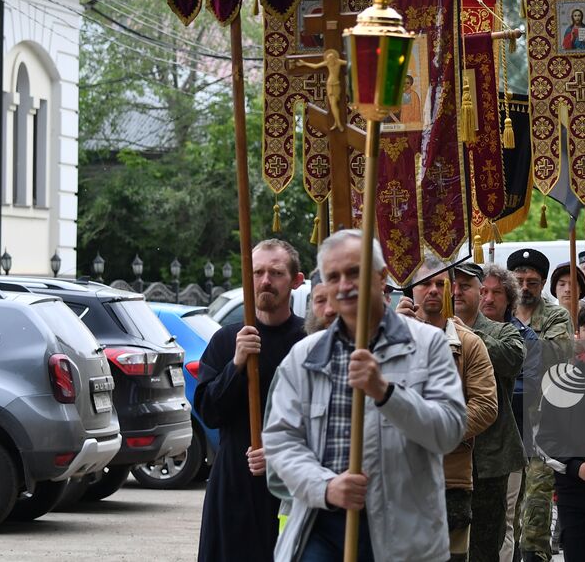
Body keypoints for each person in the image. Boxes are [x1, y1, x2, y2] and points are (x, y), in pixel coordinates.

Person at [263, 229, 467, 562]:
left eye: (354, 272)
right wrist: (326, 487)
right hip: (321, 524)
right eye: (334, 276)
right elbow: (281, 440)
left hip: (403, 533)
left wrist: (386, 393)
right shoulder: (304, 356)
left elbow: (448, 432)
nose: (344, 285)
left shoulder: (427, 345)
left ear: (381, 277)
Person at [195, 239, 306, 562]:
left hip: (290, 487)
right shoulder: (227, 340)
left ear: (296, 281)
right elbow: (209, 412)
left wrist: (282, 453)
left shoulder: (309, 341)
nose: (265, 281)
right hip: (234, 484)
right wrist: (237, 364)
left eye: (276, 272)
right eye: (257, 272)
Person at [398, 257, 499, 562]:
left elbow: (485, 405)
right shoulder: (387, 337)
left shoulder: (469, 343)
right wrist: (395, 333)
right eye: (424, 284)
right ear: (410, 292)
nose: (432, 290)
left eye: (439, 284)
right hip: (397, 475)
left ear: (450, 289)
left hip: (450, 476)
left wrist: (437, 430)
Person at [448, 262, 527, 562]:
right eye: (451, 284)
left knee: (485, 547)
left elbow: (511, 359)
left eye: (465, 285)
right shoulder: (426, 329)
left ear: (480, 293)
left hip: (489, 458)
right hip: (444, 457)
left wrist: (464, 334)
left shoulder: (504, 331)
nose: (456, 291)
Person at [508, 248, 574, 562]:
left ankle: (534, 553)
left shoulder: (556, 315)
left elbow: (555, 360)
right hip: (505, 418)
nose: (524, 287)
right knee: (507, 502)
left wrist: (514, 356)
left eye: (532, 282)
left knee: (536, 497)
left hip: (542, 419)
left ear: (543, 283)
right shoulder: (496, 312)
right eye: (518, 280)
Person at [537, 301, 585, 562]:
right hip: (576, 493)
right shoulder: (562, 381)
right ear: (578, 333)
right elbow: (545, 438)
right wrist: (575, 466)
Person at [478, 264, 540, 562]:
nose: (488, 299)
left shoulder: (519, 336)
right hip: (465, 446)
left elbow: (529, 385)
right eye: (482, 291)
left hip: (508, 441)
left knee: (505, 515)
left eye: (496, 292)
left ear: (509, 299)